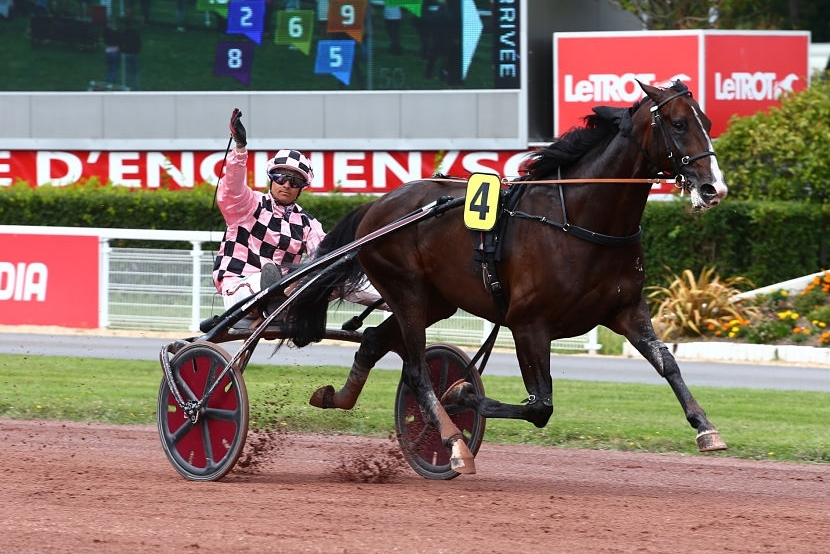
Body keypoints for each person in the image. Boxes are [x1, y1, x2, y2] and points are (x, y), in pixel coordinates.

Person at [212, 108, 383, 323]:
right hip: (239, 288)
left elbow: (327, 259)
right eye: (281, 177)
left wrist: (391, 298)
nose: (286, 185)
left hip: (284, 294)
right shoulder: (247, 204)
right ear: (271, 178)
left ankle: (280, 304)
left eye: (295, 181)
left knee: (333, 273)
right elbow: (231, 188)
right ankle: (275, 300)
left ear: (302, 187)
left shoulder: (308, 224)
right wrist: (239, 149)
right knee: (269, 276)